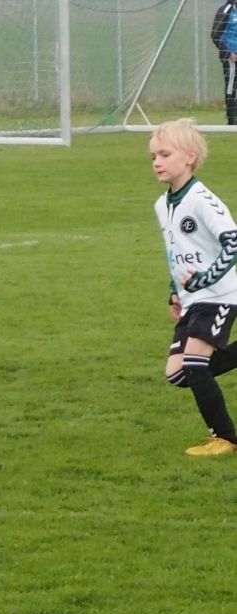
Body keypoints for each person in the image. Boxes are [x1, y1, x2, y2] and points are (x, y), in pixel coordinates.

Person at [152, 119, 237, 455]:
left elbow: (232, 242)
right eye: (153, 156)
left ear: (189, 157)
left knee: (196, 364)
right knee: (178, 374)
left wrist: (204, 280)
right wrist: (174, 290)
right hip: (192, 299)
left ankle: (226, 439)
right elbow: (176, 252)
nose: (157, 162)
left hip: (219, 296)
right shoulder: (163, 205)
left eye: (165, 154)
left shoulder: (202, 200)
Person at [211, 1, 237, 125]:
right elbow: (215, 35)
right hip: (231, 56)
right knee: (231, 87)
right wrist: (228, 53)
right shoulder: (226, 10)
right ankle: (232, 119)